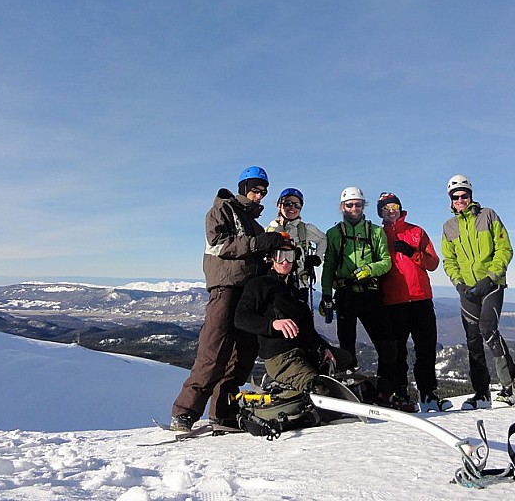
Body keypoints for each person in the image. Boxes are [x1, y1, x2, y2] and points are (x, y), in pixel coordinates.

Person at [169, 166, 285, 432]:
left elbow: (255, 257)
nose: (259, 196)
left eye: (263, 192)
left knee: (243, 354)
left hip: (248, 291)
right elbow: (218, 244)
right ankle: (185, 413)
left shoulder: (253, 223)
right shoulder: (221, 209)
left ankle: (223, 413)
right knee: (214, 349)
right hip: (225, 287)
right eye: (255, 190)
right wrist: (258, 244)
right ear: (244, 188)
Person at [440, 174, 515, 409]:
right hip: (467, 290)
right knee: (472, 339)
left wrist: (491, 277)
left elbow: (505, 248)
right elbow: (449, 260)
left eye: (464, 195)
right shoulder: (449, 227)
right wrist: (459, 284)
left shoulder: (488, 216)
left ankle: (509, 388)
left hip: (491, 286)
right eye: (456, 197)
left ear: (471, 196)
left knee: (488, 329)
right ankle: (482, 394)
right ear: (451, 200)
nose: (460, 200)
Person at [235, 233, 352, 395]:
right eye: (280, 255)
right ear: (271, 259)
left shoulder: (295, 293)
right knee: (318, 389)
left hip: (305, 351)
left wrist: (325, 348)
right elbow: (240, 318)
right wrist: (272, 324)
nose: (284, 261)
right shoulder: (260, 284)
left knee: (346, 359)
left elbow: (308, 330)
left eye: (289, 256)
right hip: (281, 357)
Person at [320, 186, 398, 404]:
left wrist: (369, 270)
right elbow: (329, 266)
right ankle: (352, 394)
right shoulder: (334, 233)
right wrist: (326, 294)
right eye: (349, 204)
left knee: (388, 346)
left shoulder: (375, 231)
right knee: (347, 348)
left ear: (364, 206)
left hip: (371, 293)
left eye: (358, 204)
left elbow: (386, 261)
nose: (354, 208)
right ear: (342, 207)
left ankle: (384, 393)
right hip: (345, 295)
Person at [377, 192, 449, 413]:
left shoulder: (416, 231)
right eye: (386, 208)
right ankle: (401, 394)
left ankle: (428, 393)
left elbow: (433, 262)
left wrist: (412, 252)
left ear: (400, 208)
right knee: (398, 352)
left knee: (426, 348)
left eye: (395, 206)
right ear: (380, 211)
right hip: (394, 301)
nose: (391, 211)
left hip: (421, 298)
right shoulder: (377, 234)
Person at [266, 188, 327, 295]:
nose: (292, 208)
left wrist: (317, 257)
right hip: (273, 282)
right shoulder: (270, 229)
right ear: (279, 205)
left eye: (297, 205)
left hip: (299, 284)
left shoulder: (305, 229)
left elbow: (323, 240)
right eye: (288, 203)